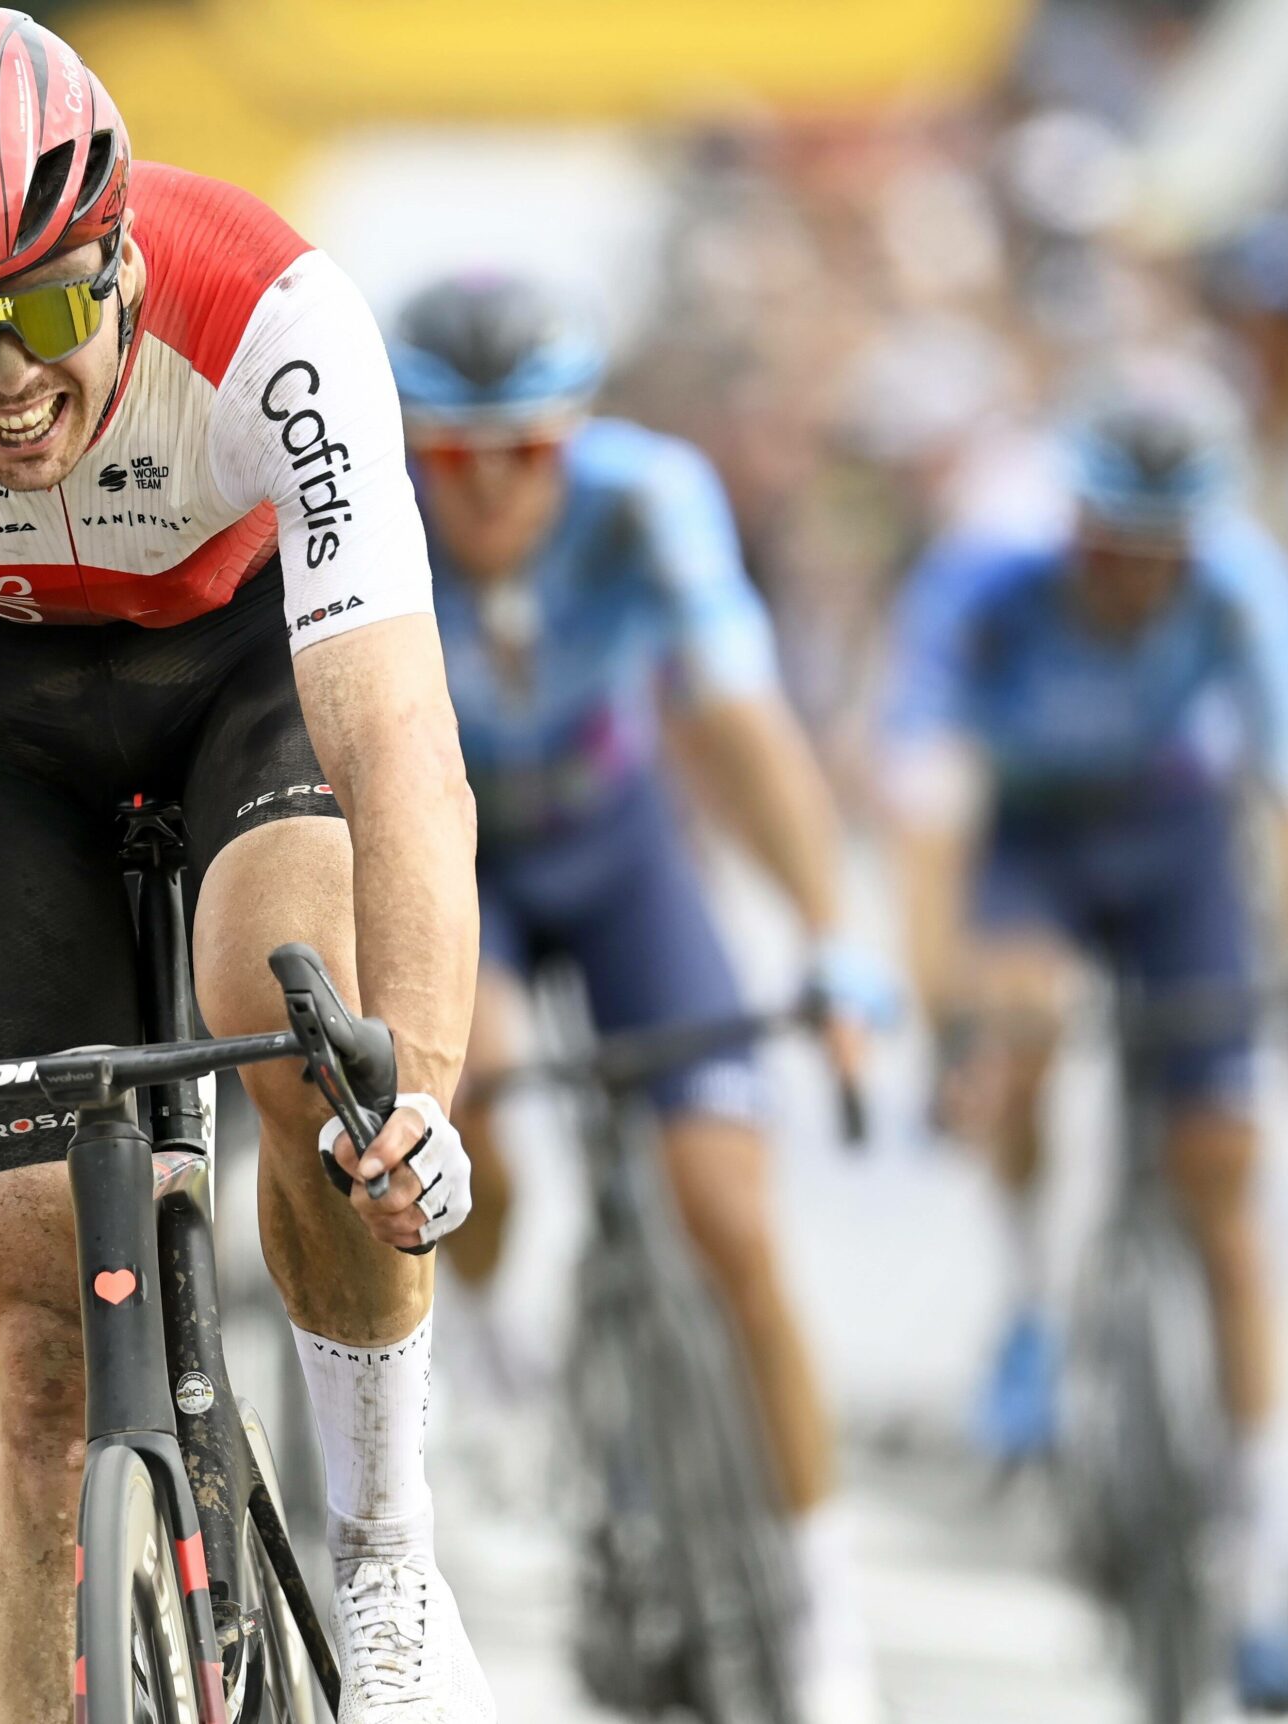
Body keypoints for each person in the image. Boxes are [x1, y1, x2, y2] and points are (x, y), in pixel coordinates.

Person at [0, 12, 487, 1720]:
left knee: (294, 1019)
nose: (6, 376)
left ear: (121, 249)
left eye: (46, 309)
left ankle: (385, 1542)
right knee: (38, 1359)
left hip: (244, 677)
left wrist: (419, 1085)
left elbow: (401, 749)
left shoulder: (277, 314)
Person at [390, 271, 890, 1723]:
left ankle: (822, 1606)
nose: (488, 491)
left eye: (527, 453)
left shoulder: (649, 499)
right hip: (454, 855)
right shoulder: (364, 513)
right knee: (465, 1100)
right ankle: (480, 1350)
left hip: (619, 851)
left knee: (733, 1216)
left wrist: (826, 934)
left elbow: (739, 722)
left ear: (578, 437)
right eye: (454, 456)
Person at [881, 356, 1288, 1714]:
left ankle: (1265, 1580)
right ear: (1070, 517)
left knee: (1227, 1192)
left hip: (1175, 845)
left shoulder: (1249, 589)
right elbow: (926, 837)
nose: (1139, 576)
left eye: (1167, 551)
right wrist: (947, 1026)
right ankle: (1033, 1298)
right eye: (1113, 545)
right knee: (1019, 1015)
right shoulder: (982, 588)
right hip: (1030, 845)